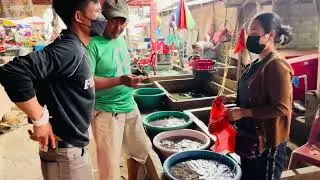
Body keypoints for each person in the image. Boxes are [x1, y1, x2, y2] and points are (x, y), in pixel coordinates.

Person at [0, 0, 106, 179]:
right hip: (66, 156)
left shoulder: (77, 47)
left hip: (71, 151)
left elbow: (46, 82)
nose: (102, 17)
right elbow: (13, 72)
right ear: (79, 17)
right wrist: (40, 119)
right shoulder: (69, 50)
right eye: (96, 12)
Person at [220, 12, 294, 180]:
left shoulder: (277, 65)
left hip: (267, 142)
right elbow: (254, 94)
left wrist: (244, 113)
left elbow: (281, 107)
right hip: (249, 137)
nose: (250, 39)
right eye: (249, 34)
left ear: (272, 35)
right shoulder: (256, 63)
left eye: (255, 34)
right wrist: (231, 98)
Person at [87, 1, 152, 180]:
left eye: (122, 22)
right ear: (102, 19)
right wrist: (121, 80)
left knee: (140, 151)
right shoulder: (93, 44)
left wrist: (134, 74)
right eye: (113, 21)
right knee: (109, 170)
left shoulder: (120, 40)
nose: (118, 28)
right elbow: (88, 81)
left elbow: (121, 68)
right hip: (106, 112)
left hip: (129, 105)